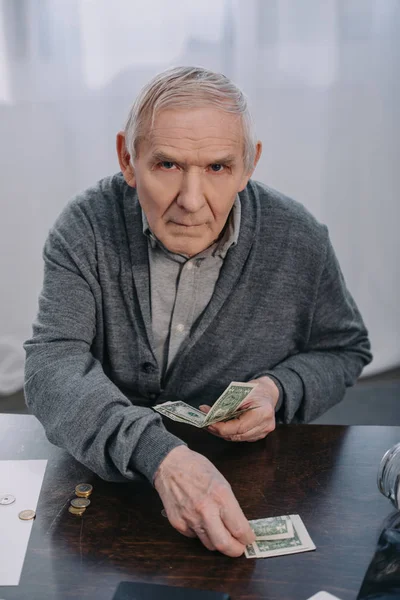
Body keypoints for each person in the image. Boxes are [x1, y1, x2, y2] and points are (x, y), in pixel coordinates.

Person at [24, 66, 372, 557]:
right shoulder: (85, 227)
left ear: (249, 164)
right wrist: (159, 455)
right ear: (128, 158)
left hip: (243, 482)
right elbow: (51, 364)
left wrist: (278, 390)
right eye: (167, 165)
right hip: (102, 483)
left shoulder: (299, 239)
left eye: (217, 168)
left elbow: (344, 349)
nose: (191, 202)